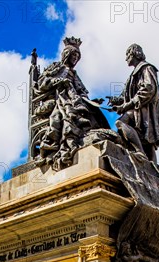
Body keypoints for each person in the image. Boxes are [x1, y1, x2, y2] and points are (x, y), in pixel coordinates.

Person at [36, 37, 108, 169]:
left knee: (94, 110)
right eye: (73, 55)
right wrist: (59, 82)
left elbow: (82, 91)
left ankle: (88, 134)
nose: (75, 58)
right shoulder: (56, 67)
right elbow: (41, 84)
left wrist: (92, 101)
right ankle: (70, 139)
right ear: (66, 55)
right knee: (69, 112)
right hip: (60, 98)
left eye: (77, 56)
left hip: (75, 100)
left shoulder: (75, 74)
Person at [107, 43, 159, 162]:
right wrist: (117, 101)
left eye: (127, 55)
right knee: (147, 143)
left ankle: (139, 152)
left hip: (144, 111)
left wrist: (127, 105)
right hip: (138, 109)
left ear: (134, 53)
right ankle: (154, 170)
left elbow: (148, 89)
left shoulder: (146, 68)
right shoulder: (134, 74)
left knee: (121, 122)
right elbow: (126, 96)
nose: (126, 59)